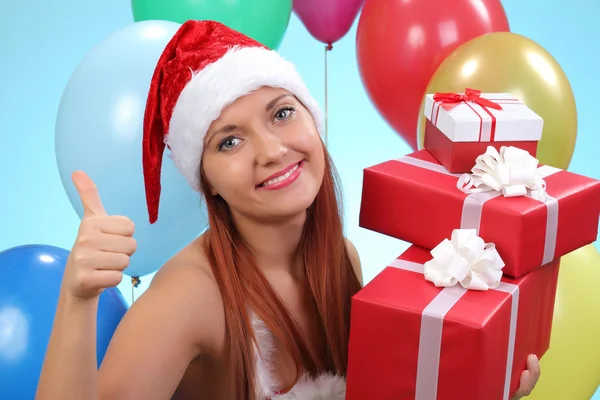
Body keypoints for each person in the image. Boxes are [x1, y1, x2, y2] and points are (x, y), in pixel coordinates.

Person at [35, 20, 541, 400]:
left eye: (282, 113)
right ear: (205, 179)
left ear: (312, 119)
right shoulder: (192, 296)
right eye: (229, 142)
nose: (272, 150)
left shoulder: (339, 258)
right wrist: (78, 299)